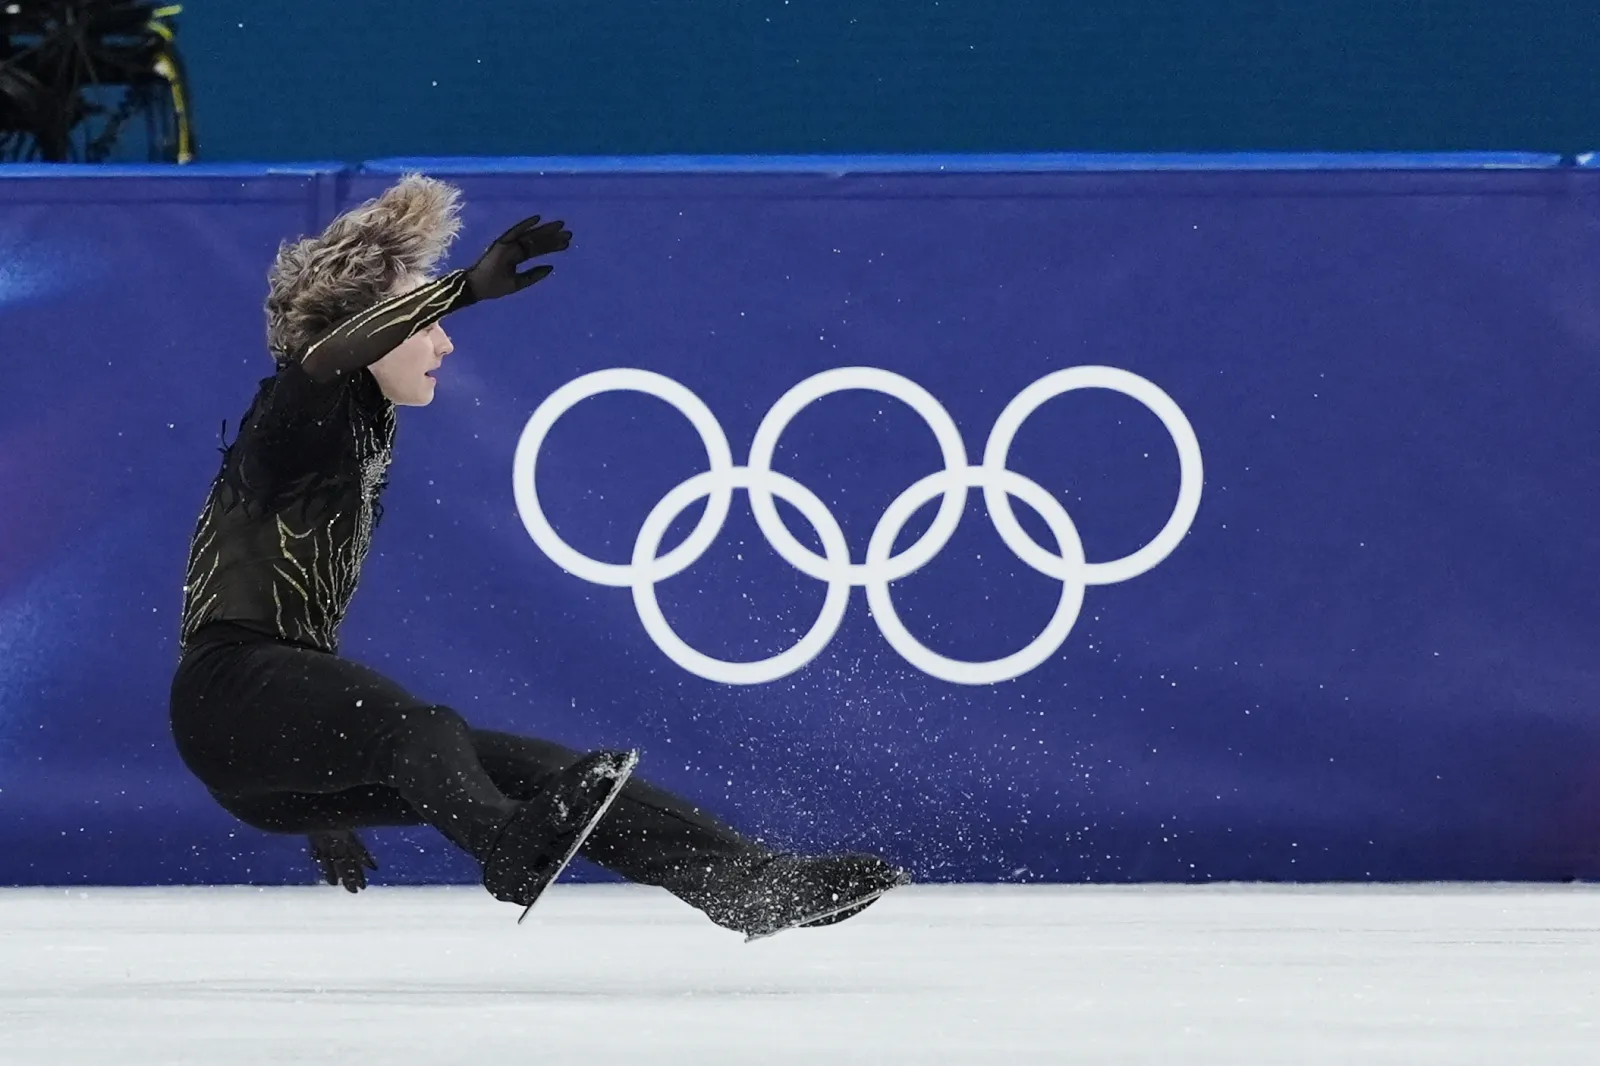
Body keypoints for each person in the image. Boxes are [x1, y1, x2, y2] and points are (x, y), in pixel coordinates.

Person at [168, 174, 908, 938]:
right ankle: (502, 846)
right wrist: (461, 286)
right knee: (423, 730)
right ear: (373, 323)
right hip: (229, 694)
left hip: (262, 748)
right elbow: (319, 360)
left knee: (532, 765)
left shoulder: (354, 423)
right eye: (425, 320)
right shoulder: (293, 411)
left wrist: (320, 789)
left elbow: (296, 660)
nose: (444, 338)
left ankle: (747, 884)